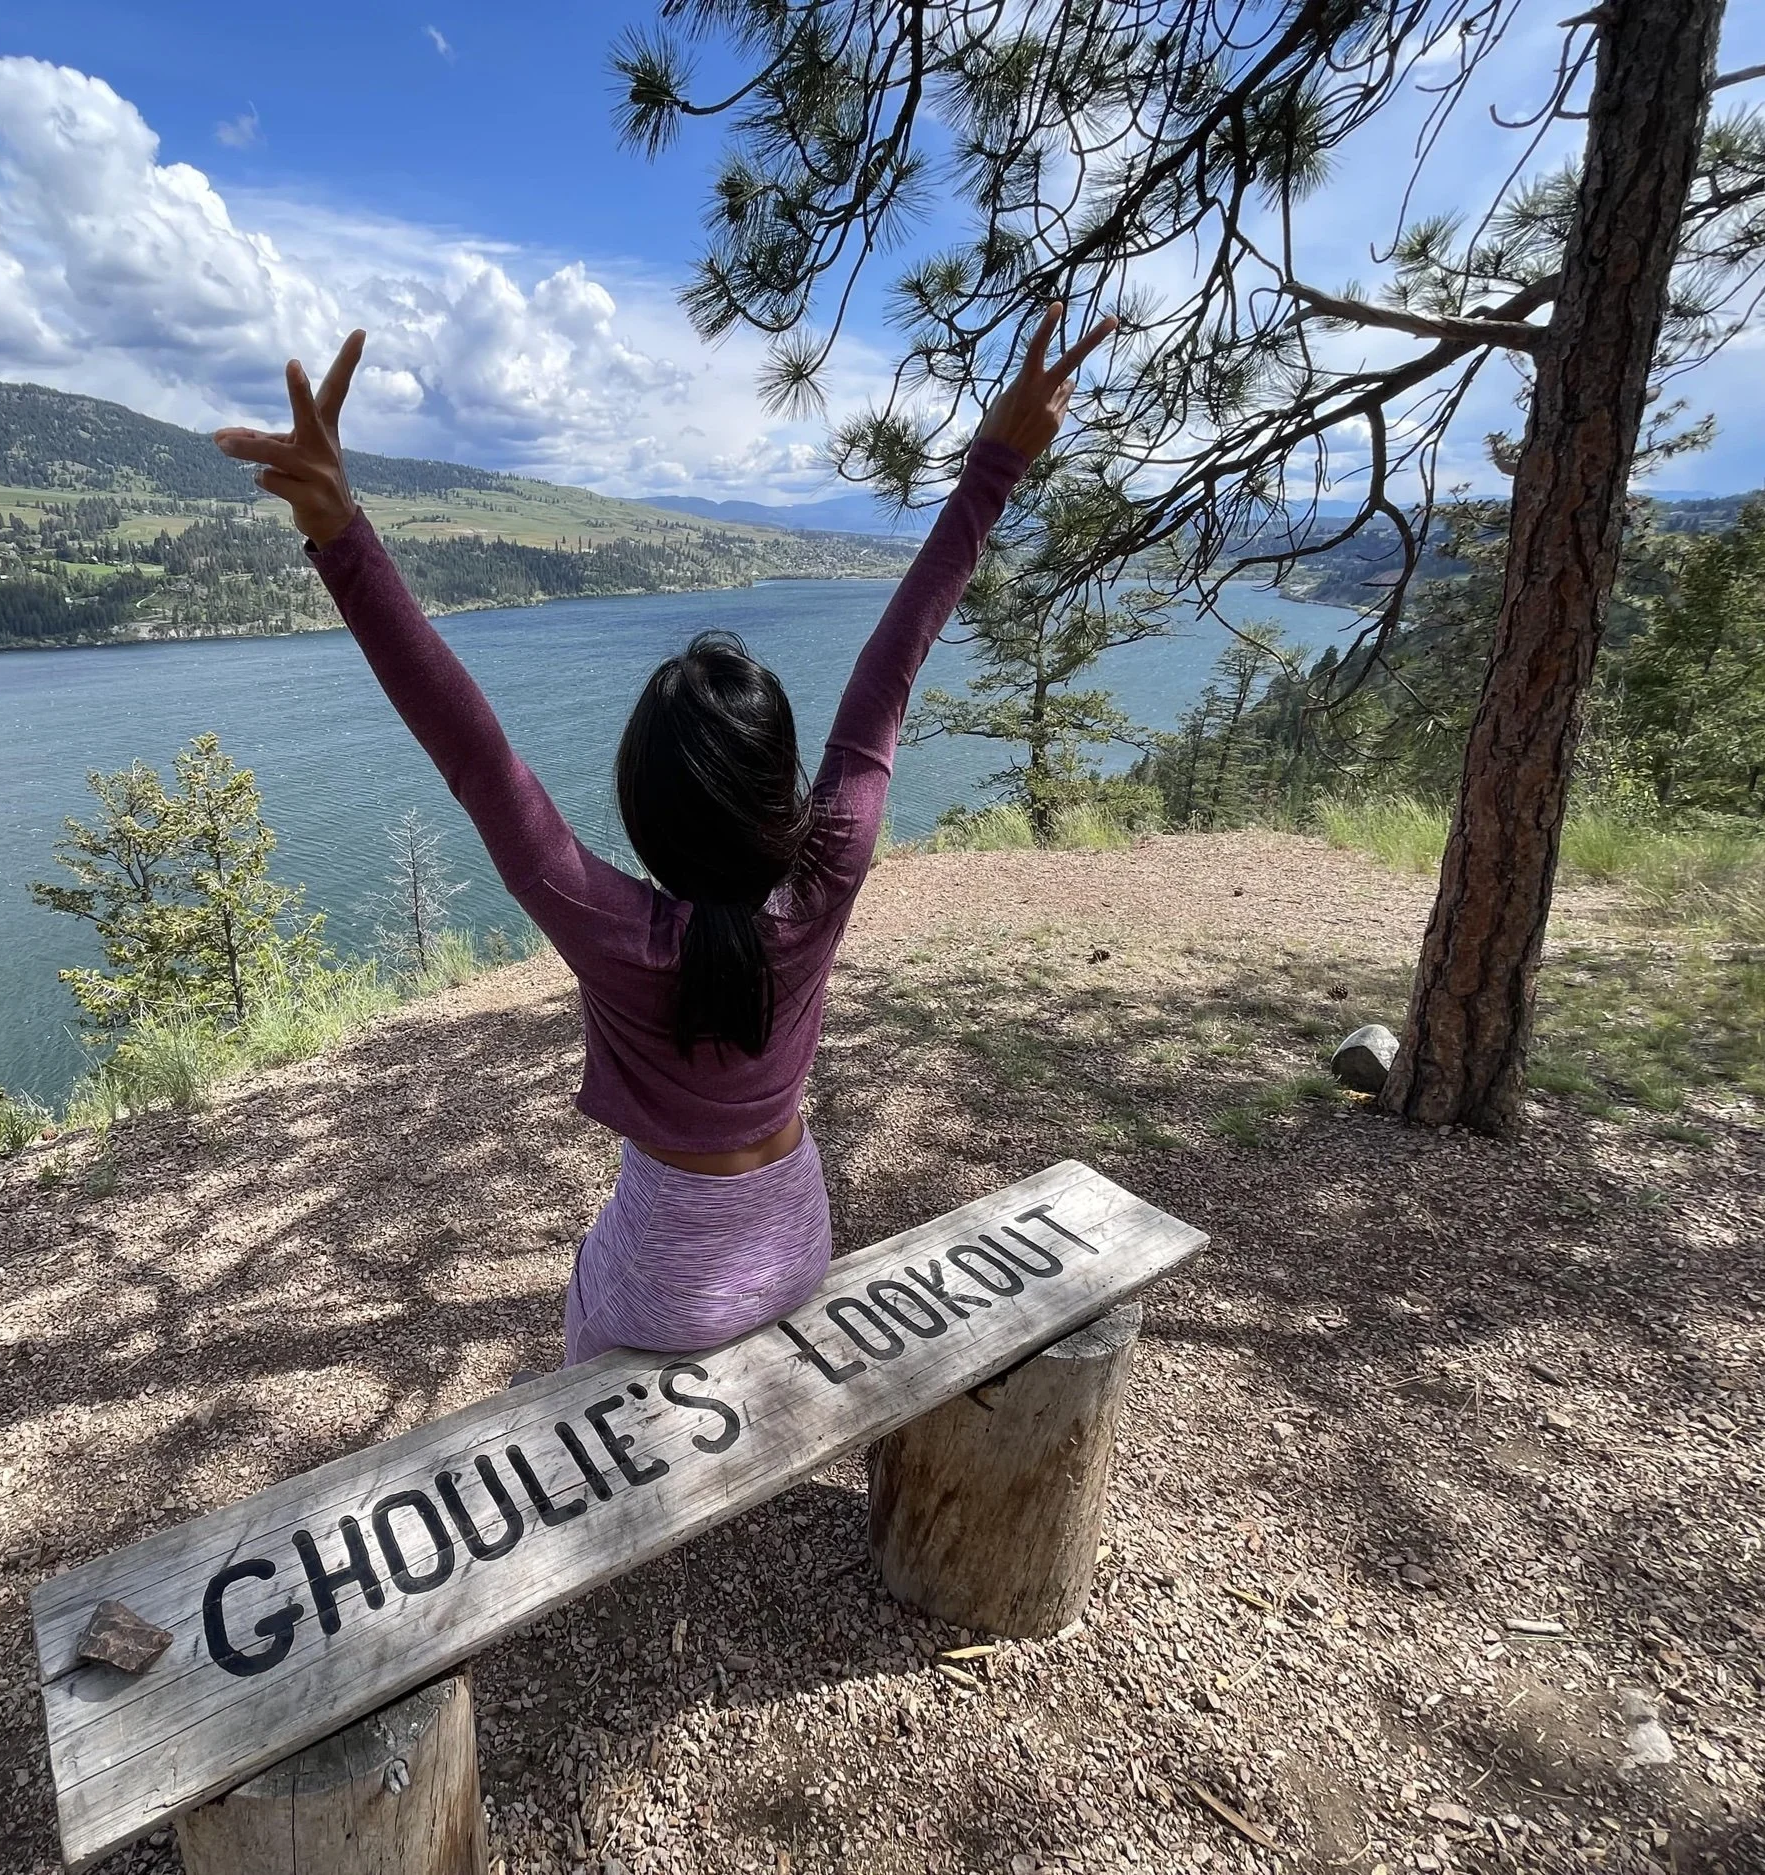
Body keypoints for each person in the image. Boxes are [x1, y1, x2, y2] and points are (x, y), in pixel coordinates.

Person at [215, 310, 1115, 1366]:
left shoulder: (617, 934)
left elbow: (476, 758)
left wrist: (343, 537)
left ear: (644, 813)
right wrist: (994, 468)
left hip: (662, 1282)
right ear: (780, 789)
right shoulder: (827, 876)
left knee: (584, 1327)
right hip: (799, 1238)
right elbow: (891, 672)